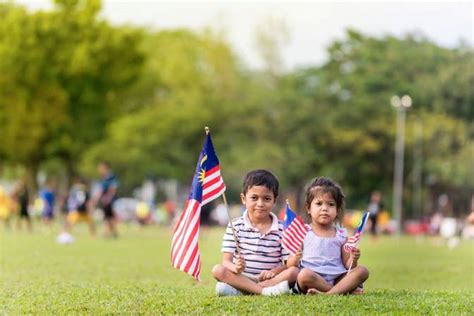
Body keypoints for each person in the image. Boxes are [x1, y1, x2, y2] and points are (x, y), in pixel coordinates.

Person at [211, 169, 299, 296]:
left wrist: (274, 271)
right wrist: (235, 268)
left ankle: (244, 291)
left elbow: (287, 263)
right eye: (254, 198)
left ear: (274, 200)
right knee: (218, 270)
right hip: (243, 276)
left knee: (294, 271)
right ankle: (263, 292)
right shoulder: (235, 225)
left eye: (267, 199)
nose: (260, 204)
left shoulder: (282, 228)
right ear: (243, 198)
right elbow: (226, 262)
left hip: (269, 279)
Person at [287, 177, 369, 295]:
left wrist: (354, 258)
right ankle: (341, 290)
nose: (324, 208)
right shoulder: (303, 231)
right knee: (304, 274)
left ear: (337, 209)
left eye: (330, 204)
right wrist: (295, 258)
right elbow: (290, 264)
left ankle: (329, 293)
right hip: (312, 278)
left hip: (337, 277)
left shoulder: (341, 234)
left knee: (362, 271)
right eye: (319, 204)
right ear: (308, 208)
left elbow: (348, 264)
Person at [96, 161, 119, 238]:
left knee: (109, 217)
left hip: (109, 200)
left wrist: (108, 198)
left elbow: (114, 188)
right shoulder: (103, 178)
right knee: (108, 217)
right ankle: (113, 232)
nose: (99, 170)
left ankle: (108, 232)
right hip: (105, 200)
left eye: (100, 168)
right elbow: (101, 190)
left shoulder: (110, 177)